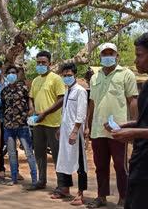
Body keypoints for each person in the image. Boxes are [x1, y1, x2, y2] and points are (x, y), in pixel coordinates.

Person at [103, 32, 148, 209]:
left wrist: (134, 132)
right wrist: (125, 125)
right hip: (140, 160)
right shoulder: (146, 87)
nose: (136, 61)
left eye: (139, 55)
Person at [85, 43, 138, 208]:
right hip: (98, 129)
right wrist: (88, 126)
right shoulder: (95, 77)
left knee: (121, 166)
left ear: (117, 56)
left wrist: (134, 126)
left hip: (118, 130)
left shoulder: (126, 74)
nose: (107, 56)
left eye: (111, 53)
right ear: (100, 56)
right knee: (100, 166)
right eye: (104, 53)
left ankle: (124, 199)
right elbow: (92, 103)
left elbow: (132, 100)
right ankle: (101, 197)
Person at [28, 51, 65, 191]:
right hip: (38, 122)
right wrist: (31, 108)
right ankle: (41, 180)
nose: (41, 65)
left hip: (53, 123)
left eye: (43, 62)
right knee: (39, 153)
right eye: (38, 62)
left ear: (49, 63)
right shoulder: (36, 80)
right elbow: (30, 97)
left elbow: (61, 99)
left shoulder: (56, 79)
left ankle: (61, 185)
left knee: (56, 154)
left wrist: (45, 113)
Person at [54, 63, 88, 205]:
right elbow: (66, 112)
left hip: (76, 132)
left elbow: (81, 113)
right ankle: (65, 190)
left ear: (76, 75)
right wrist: (61, 128)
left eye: (69, 75)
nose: (67, 78)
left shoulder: (80, 91)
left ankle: (80, 193)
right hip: (65, 130)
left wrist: (75, 131)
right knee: (64, 159)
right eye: (65, 75)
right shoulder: (67, 91)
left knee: (80, 161)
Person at [1, 66, 37, 186]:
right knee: (11, 153)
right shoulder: (4, 91)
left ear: (17, 74)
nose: (11, 75)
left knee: (29, 153)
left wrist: (31, 109)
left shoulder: (24, 88)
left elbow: (30, 100)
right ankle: (14, 177)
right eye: (9, 73)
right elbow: (3, 106)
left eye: (14, 73)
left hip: (22, 125)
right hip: (8, 126)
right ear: (6, 75)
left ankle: (34, 178)